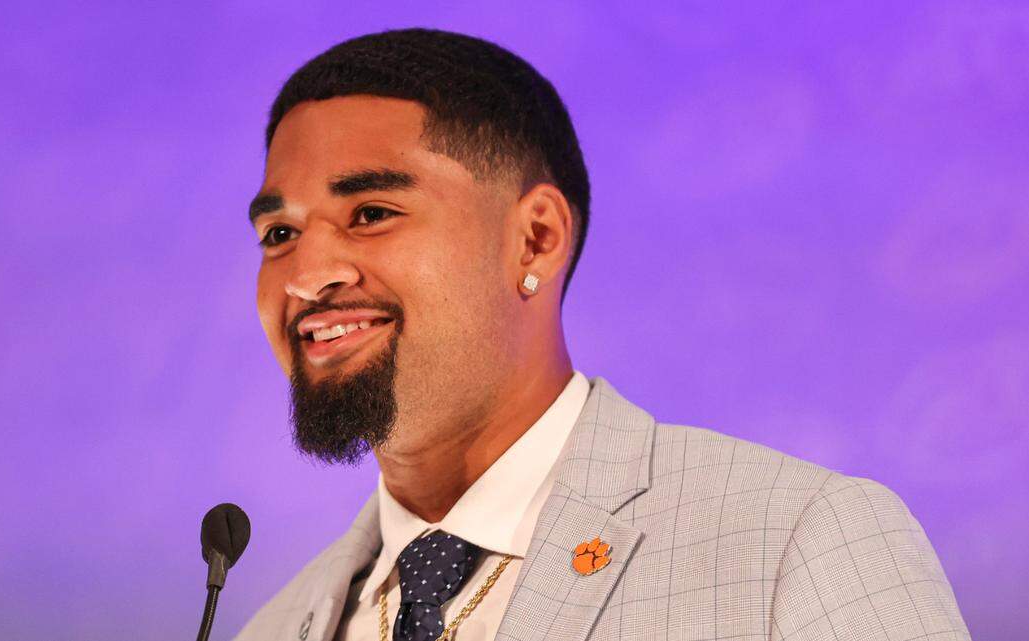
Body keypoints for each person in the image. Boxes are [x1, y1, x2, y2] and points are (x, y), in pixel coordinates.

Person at [236, 28, 969, 641]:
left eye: (370, 213)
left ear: (535, 238)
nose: (306, 273)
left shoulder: (794, 541)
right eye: (279, 232)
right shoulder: (270, 627)